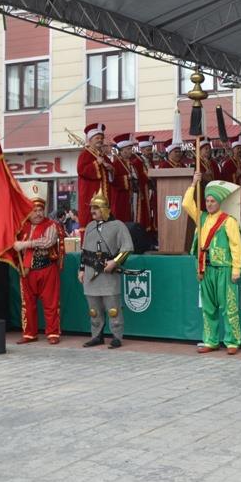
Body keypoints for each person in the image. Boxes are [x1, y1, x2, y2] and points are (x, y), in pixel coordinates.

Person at [184, 174, 241, 354]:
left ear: (219, 202)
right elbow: (186, 204)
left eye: (213, 201)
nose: (209, 204)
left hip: (224, 268)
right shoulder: (201, 217)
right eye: (207, 201)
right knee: (208, 308)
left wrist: (236, 269)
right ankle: (211, 341)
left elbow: (236, 246)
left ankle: (232, 342)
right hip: (205, 268)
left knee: (228, 307)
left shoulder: (228, 221)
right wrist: (194, 183)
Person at [79, 190, 134, 349]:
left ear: (104, 209)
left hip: (108, 275)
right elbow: (84, 251)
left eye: (95, 208)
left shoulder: (118, 226)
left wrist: (114, 262)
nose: (92, 211)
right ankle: (97, 336)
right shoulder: (90, 226)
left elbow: (127, 248)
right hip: (90, 274)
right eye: (91, 208)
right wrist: (81, 269)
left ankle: (116, 336)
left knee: (113, 309)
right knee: (94, 310)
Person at [14, 180, 65, 344]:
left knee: (51, 303)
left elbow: (48, 242)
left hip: (47, 268)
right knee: (27, 304)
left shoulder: (52, 225)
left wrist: (25, 244)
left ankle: (53, 333)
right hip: (26, 270)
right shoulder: (21, 227)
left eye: (40, 210)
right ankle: (29, 333)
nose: (38, 213)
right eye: (34, 210)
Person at [76, 122, 113, 229]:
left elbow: (111, 177)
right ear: (90, 140)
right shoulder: (85, 154)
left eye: (101, 138)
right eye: (97, 138)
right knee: (90, 223)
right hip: (91, 196)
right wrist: (96, 163)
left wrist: (111, 169)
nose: (100, 140)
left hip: (104, 200)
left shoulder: (103, 156)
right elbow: (81, 170)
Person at [110, 133, 139, 223]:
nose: (131, 151)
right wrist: (127, 178)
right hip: (121, 198)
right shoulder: (116, 164)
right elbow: (113, 181)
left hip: (132, 195)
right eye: (128, 149)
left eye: (131, 149)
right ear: (122, 150)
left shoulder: (132, 163)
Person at [219, 140, 241, 218]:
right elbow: (224, 179)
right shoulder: (228, 164)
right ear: (233, 150)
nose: (240, 150)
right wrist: (236, 175)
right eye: (238, 148)